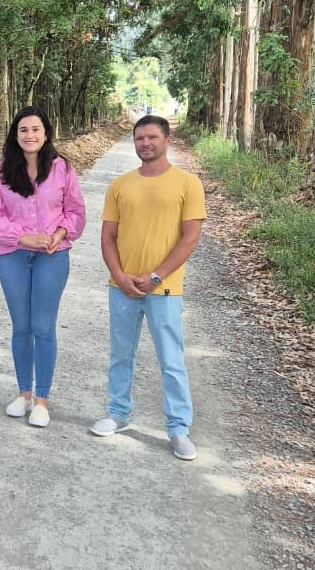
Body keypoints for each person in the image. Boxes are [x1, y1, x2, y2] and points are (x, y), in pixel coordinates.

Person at [89, 114, 206, 460]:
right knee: (120, 354)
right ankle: (118, 413)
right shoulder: (120, 185)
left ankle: (179, 428)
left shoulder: (187, 184)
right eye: (140, 138)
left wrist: (156, 276)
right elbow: (107, 237)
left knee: (171, 359)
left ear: (167, 140)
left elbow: (190, 238)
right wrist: (120, 275)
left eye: (152, 137)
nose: (145, 143)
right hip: (121, 287)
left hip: (164, 289)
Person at [0, 106, 86, 428]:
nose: (30, 135)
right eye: (23, 130)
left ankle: (42, 399)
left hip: (52, 256)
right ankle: (23, 393)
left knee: (43, 326)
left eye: (35, 129)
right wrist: (24, 238)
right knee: (21, 326)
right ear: (15, 135)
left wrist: (59, 234)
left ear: (46, 133)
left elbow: (76, 211)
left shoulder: (62, 168)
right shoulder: (0, 173)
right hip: (12, 255)